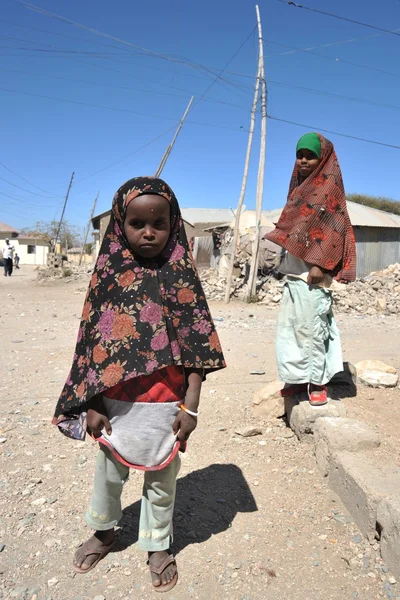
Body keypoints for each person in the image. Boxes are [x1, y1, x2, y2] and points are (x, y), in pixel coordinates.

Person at [52, 177, 226, 592]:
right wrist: (93, 401)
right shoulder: (108, 276)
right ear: (119, 224)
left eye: (159, 223)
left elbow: (198, 346)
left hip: (168, 405)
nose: (148, 232)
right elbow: (94, 346)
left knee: (163, 480)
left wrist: (192, 406)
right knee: (108, 476)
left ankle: (157, 543)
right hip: (116, 406)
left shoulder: (180, 275)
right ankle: (104, 531)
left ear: (174, 224)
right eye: (136, 223)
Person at [265, 133, 356, 406]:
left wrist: (319, 263)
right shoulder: (298, 188)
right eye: (300, 155)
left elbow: (334, 228)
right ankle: (296, 379)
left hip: (315, 274)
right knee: (291, 329)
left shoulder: (330, 190)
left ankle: (317, 382)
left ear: (323, 158)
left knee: (314, 330)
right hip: (294, 272)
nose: (303, 160)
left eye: (310, 155)